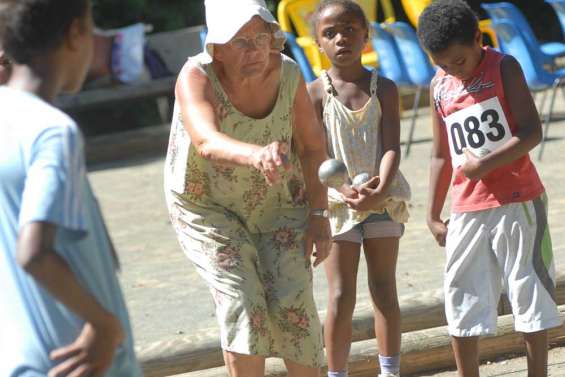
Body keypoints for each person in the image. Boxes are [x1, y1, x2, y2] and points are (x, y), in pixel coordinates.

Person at [163, 0, 331, 376]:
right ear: (216, 48)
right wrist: (256, 155)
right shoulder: (196, 76)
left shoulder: (287, 73)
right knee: (244, 302)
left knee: (295, 304)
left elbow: (312, 147)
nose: (255, 49)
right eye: (240, 41)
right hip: (205, 205)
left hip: (278, 199)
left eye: (261, 37)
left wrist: (320, 216)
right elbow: (206, 141)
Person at [418, 1, 562, 376]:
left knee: (528, 291)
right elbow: (439, 155)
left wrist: (486, 164)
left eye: (458, 62)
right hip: (466, 208)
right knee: (461, 295)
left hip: (520, 202)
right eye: (442, 64)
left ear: (478, 40)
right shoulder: (439, 85)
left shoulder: (504, 67)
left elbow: (531, 131)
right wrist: (432, 213)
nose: (452, 71)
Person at [0, 0, 140, 376]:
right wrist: (104, 325)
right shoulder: (52, 131)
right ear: (76, 32)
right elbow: (33, 253)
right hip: (83, 357)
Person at [307, 1, 411, 377]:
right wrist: (342, 191)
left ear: (366, 35)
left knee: (384, 289)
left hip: (384, 200)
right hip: (338, 206)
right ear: (317, 43)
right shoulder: (314, 94)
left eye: (350, 29)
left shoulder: (384, 88)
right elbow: (315, 159)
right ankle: (336, 374)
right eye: (330, 33)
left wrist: (381, 188)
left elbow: (391, 146)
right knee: (339, 295)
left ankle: (390, 371)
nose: (341, 38)